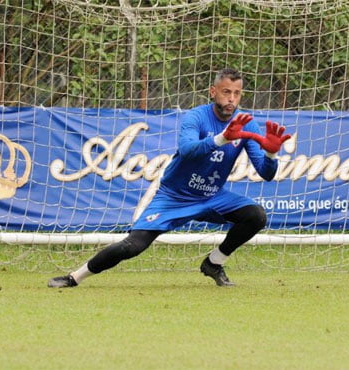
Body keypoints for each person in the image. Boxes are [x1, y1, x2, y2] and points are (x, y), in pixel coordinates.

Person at [48, 68, 291, 288]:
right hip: (174, 197)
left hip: (212, 197)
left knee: (255, 215)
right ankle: (74, 277)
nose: (231, 99)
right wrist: (222, 138)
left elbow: (266, 174)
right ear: (213, 92)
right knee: (132, 246)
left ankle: (214, 263)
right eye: (226, 92)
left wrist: (270, 153)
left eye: (237, 93)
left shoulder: (246, 123)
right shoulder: (196, 117)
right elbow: (187, 150)